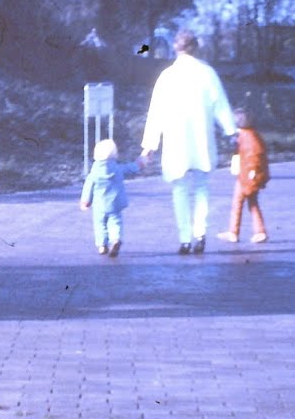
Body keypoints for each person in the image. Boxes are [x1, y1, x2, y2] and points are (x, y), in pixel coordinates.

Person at [139, 29, 237, 255]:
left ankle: (184, 239)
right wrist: (231, 131)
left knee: (180, 189)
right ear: (196, 48)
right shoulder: (207, 73)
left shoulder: (167, 76)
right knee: (202, 187)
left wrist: (149, 146)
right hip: (201, 139)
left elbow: (156, 113)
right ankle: (200, 234)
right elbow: (220, 105)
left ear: (176, 48)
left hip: (176, 142)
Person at [217, 108, 270, 244]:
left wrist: (252, 170)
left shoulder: (246, 137)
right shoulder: (252, 135)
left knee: (237, 203)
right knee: (252, 203)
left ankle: (234, 232)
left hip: (246, 176)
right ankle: (260, 231)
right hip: (248, 175)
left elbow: (253, 155)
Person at [79, 138, 140, 257]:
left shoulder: (94, 172)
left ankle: (102, 245)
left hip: (99, 205)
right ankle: (115, 240)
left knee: (100, 224)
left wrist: (85, 201)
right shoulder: (118, 168)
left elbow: (88, 186)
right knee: (115, 222)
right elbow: (129, 168)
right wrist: (139, 164)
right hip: (115, 203)